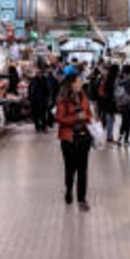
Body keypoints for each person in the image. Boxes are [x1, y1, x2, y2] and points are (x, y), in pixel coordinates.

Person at [54, 71, 93, 211]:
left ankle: (82, 199)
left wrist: (86, 117)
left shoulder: (83, 96)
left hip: (84, 136)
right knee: (70, 168)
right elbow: (59, 118)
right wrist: (76, 117)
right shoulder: (63, 99)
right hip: (68, 138)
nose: (81, 83)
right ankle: (69, 190)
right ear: (72, 84)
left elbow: (89, 113)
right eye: (78, 81)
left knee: (83, 168)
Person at [97, 63, 119, 144]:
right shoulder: (112, 80)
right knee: (111, 119)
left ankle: (102, 135)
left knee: (105, 119)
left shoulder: (105, 78)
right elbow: (113, 93)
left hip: (104, 101)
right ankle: (109, 137)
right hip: (110, 102)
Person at [29, 60, 53, 133]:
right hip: (35, 100)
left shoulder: (45, 80)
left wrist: (49, 98)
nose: (38, 74)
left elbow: (48, 90)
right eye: (37, 73)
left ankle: (44, 127)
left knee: (43, 114)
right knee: (35, 114)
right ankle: (37, 127)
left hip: (43, 100)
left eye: (39, 73)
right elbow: (30, 90)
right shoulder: (33, 80)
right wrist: (30, 97)